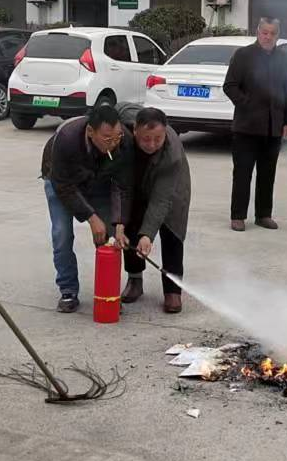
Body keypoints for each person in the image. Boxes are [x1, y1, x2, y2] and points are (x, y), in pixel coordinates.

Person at [40, 103, 130, 313]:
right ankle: (68, 290)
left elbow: (122, 184)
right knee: (62, 234)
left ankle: (107, 293)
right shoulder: (67, 138)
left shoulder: (122, 140)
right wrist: (91, 217)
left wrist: (119, 223)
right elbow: (64, 187)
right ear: (90, 132)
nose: (113, 143)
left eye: (117, 137)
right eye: (107, 139)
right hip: (60, 181)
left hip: (97, 181)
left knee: (110, 238)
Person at [223, 17, 287, 231]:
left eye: (273, 33)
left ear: (278, 35)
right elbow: (230, 86)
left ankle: (263, 215)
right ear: (258, 32)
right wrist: (247, 104)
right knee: (242, 173)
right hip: (246, 127)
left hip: (273, 128)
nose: (268, 37)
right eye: (265, 32)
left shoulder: (284, 58)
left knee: (267, 173)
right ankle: (238, 216)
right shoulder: (243, 55)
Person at [119, 106, 191, 314]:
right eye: (146, 139)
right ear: (135, 130)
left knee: (172, 232)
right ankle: (135, 280)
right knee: (131, 226)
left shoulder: (172, 154)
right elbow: (118, 109)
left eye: (157, 139)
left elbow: (161, 200)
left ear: (165, 131)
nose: (151, 145)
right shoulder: (123, 128)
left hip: (171, 191)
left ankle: (173, 290)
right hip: (137, 185)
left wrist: (148, 235)